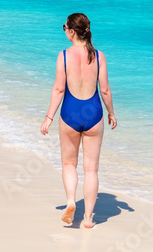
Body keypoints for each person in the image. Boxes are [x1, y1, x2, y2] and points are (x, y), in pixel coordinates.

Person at [40, 13, 117, 228]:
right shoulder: (99, 56)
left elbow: (58, 89)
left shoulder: (64, 55)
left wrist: (49, 117)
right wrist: (111, 113)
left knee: (68, 163)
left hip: (70, 113)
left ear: (72, 31)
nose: (64, 30)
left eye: (64, 27)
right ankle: (89, 219)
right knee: (91, 169)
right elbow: (105, 90)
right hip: (93, 114)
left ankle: (71, 201)